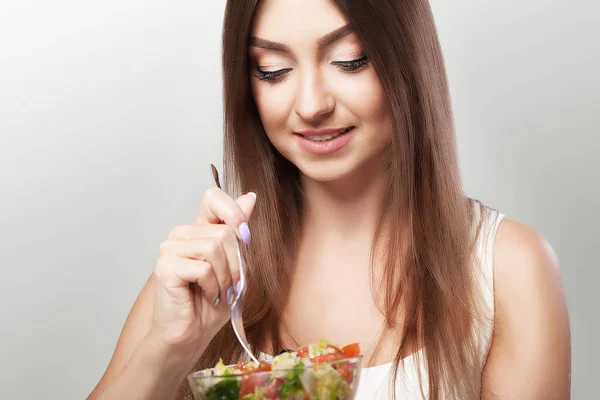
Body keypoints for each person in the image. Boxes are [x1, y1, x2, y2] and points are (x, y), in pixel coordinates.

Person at [87, 0, 571, 399]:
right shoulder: (202, 272)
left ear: (407, 59)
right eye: (273, 71)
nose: (312, 104)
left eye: (350, 60)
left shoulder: (506, 268)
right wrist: (169, 347)